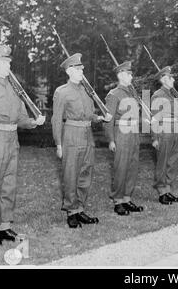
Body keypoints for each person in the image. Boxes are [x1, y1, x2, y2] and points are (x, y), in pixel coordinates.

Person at [0, 45, 45, 246]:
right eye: (4, 62)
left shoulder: (15, 89)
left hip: (13, 139)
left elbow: (21, 117)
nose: (8, 66)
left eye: (9, 62)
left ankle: (4, 225)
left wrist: (33, 122)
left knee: (9, 183)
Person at [52, 53, 111, 228]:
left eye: (82, 69)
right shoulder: (61, 92)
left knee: (86, 172)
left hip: (87, 134)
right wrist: (58, 144)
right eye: (78, 69)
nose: (81, 71)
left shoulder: (86, 91)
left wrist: (101, 118)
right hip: (71, 134)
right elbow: (56, 119)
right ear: (69, 71)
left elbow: (89, 114)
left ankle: (80, 208)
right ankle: (71, 211)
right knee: (71, 173)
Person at [104, 61, 144, 216]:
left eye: (131, 73)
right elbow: (109, 119)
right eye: (129, 73)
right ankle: (118, 200)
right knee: (121, 167)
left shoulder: (132, 93)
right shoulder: (114, 95)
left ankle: (127, 198)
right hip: (121, 133)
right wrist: (111, 140)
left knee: (132, 166)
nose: (132, 76)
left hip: (133, 133)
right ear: (121, 75)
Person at [150, 66, 178, 205]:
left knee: (172, 162)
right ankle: (161, 192)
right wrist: (154, 137)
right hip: (164, 130)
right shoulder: (158, 95)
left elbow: (175, 116)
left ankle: (168, 189)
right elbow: (154, 118)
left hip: (174, 130)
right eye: (171, 77)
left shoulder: (172, 94)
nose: (174, 79)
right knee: (162, 162)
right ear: (164, 79)